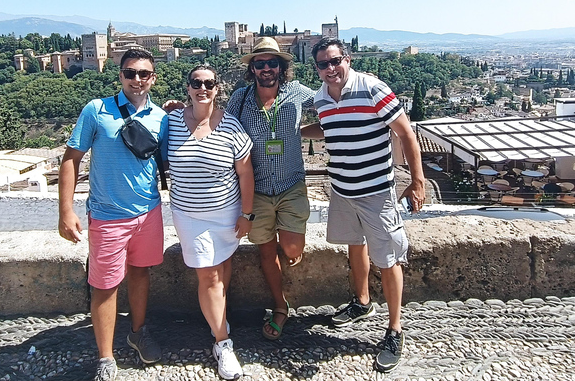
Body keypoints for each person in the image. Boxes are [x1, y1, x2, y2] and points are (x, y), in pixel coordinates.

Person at [308, 38, 426, 373]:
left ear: (348, 58)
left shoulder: (372, 88)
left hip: (377, 193)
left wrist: (416, 182)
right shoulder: (320, 97)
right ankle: (361, 302)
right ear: (316, 67)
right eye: (323, 65)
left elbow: (406, 134)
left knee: (388, 259)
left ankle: (395, 330)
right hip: (343, 190)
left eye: (335, 61)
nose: (330, 69)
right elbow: (329, 126)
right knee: (354, 246)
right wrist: (299, 131)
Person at [58, 49, 168, 381]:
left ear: (153, 78)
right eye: (130, 73)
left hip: (148, 213)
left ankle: (137, 332)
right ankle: (105, 357)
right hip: (107, 217)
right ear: (119, 75)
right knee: (105, 286)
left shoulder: (162, 118)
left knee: (140, 274)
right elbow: (70, 159)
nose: (137, 79)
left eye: (144, 74)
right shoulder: (96, 110)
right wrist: (66, 210)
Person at [225, 37, 316, 340]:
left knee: (291, 248)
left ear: (281, 66)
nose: (266, 68)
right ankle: (280, 306)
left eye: (272, 62)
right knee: (266, 253)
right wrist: (180, 110)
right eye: (260, 63)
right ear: (252, 68)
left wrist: (301, 132)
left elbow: (331, 107)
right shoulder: (240, 98)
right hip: (257, 191)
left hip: (290, 184)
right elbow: (220, 128)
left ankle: (285, 238)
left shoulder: (299, 93)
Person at [167, 65, 254, 380]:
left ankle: (220, 318)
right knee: (211, 278)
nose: (202, 88)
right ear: (188, 87)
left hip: (227, 215)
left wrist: (246, 214)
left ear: (218, 88)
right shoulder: (172, 123)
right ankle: (223, 343)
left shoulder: (232, 127)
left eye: (208, 83)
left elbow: (245, 173)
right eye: (196, 83)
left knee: (223, 266)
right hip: (190, 216)